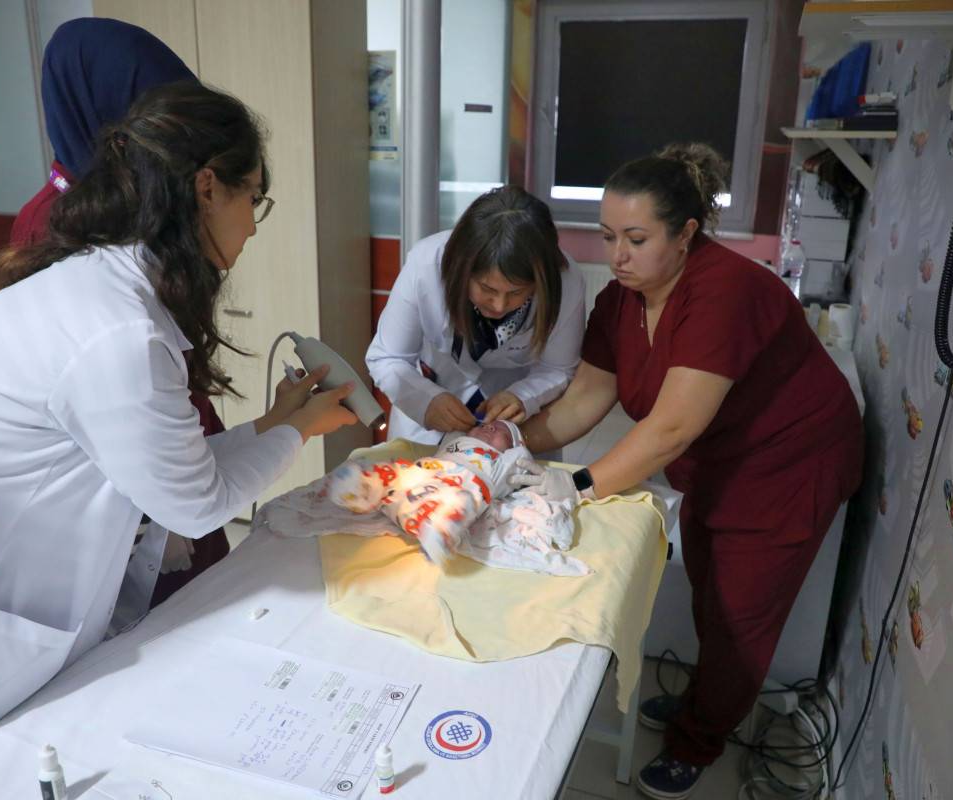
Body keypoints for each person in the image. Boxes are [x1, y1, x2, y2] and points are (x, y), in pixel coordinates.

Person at [0, 83, 356, 797]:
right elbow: (193, 505)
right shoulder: (117, 330)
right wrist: (302, 427)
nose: (251, 225)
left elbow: (170, 470)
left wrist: (277, 422)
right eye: (252, 198)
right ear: (205, 187)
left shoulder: (96, 289)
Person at [515, 144, 863, 799]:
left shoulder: (724, 290)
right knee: (709, 587)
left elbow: (672, 427)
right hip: (719, 464)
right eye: (608, 237)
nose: (617, 255)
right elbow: (588, 396)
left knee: (739, 616)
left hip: (790, 464)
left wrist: (579, 485)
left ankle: (698, 741)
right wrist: (511, 444)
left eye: (636, 239)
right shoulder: (622, 300)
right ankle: (707, 698)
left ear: (685, 235)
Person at [11, 17, 228, 606]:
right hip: (122, 469)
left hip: (166, 425)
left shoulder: (145, 211)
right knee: (161, 614)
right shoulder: (49, 228)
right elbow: (114, 395)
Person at [366, 185, 585, 445]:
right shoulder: (426, 266)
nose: (499, 305)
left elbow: (558, 368)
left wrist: (524, 396)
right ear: (463, 269)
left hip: (509, 424)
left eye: (516, 292)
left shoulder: (564, 281)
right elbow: (387, 357)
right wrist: (426, 400)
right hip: (430, 409)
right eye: (487, 289)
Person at [328, 420, 534, 562]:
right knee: (397, 474)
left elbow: (521, 460)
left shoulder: (502, 463)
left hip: (459, 483)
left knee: (458, 501)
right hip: (426, 471)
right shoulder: (457, 442)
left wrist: (521, 446)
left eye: (501, 432)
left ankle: (440, 529)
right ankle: (365, 488)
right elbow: (453, 430)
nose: (490, 427)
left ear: (513, 447)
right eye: (485, 425)